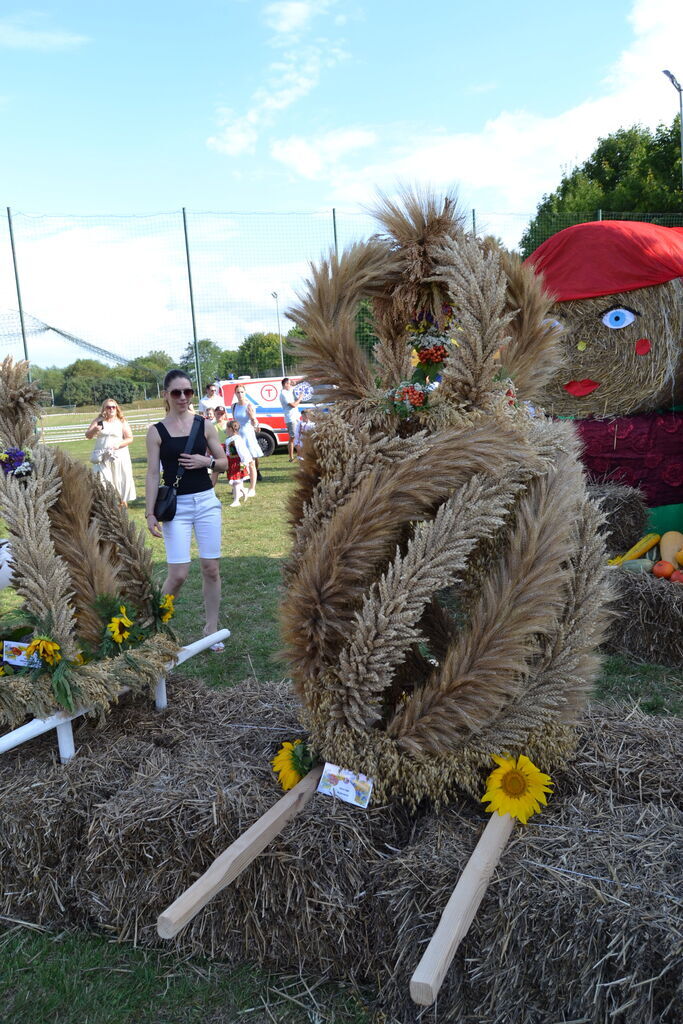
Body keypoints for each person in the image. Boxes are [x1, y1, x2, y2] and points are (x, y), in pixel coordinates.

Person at [145, 369, 228, 651]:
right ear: (166, 395)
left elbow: (223, 463)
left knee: (211, 569)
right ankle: (155, 626)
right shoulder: (156, 431)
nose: (183, 397)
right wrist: (149, 512)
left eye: (188, 392)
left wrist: (203, 462)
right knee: (178, 574)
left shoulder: (204, 425)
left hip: (206, 501)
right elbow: (152, 474)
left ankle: (211, 629)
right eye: (177, 392)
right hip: (175, 506)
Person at [85, 398, 136, 505]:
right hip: (102, 458)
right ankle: (108, 503)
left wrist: (118, 444)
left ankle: (122, 504)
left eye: (113, 407)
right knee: (103, 482)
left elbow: (130, 438)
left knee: (120, 481)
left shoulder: (122, 421)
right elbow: (88, 435)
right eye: (108, 407)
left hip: (119, 457)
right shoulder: (98, 420)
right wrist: (95, 430)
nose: (111, 409)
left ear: (117, 408)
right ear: (104, 408)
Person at [231, 383, 262, 491]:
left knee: (251, 463)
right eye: (238, 392)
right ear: (235, 394)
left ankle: (252, 488)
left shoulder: (249, 405)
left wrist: (253, 418)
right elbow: (234, 422)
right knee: (239, 463)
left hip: (248, 436)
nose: (240, 394)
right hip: (238, 437)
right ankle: (240, 487)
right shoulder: (234, 406)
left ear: (245, 393)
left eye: (242, 392)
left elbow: (255, 423)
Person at [225, 419, 252, 507]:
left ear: (231, 429)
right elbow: (228, 452)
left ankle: (236, 501)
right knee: (234, 481)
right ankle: (243, 490)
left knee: (236, 481)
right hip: (231, 462)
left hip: (237, 463)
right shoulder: (229, 439)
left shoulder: (237, 440)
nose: (226, 430)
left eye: (227, 428)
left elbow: (242, 452)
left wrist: (244, 463)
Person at [279, 377, 301, 461]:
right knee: (293, 437)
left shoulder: (289, 391)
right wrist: (300, 398)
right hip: (290, 418)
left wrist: (293, 383)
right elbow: (293, 405)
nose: (290, 385)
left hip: (296, 416)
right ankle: (292, 457)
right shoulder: (283, 394)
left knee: (296, 436)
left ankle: (296, 456)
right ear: (285, 384)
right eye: (289, 383)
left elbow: (295, 385)